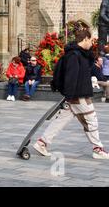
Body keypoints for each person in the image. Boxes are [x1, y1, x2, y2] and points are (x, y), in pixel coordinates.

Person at [33, 29, 109, 159]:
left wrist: (104, 80)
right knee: (91, 120)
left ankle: (42, 143)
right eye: (91, 40)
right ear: (85, 39)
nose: (92, 43)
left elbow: (91, 69)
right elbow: (71, 77)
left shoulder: (82, 54)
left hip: (76, 95)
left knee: (61, 121)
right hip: (79, 94)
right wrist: (69, 96)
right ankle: (97, 149)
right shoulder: (74, 55)